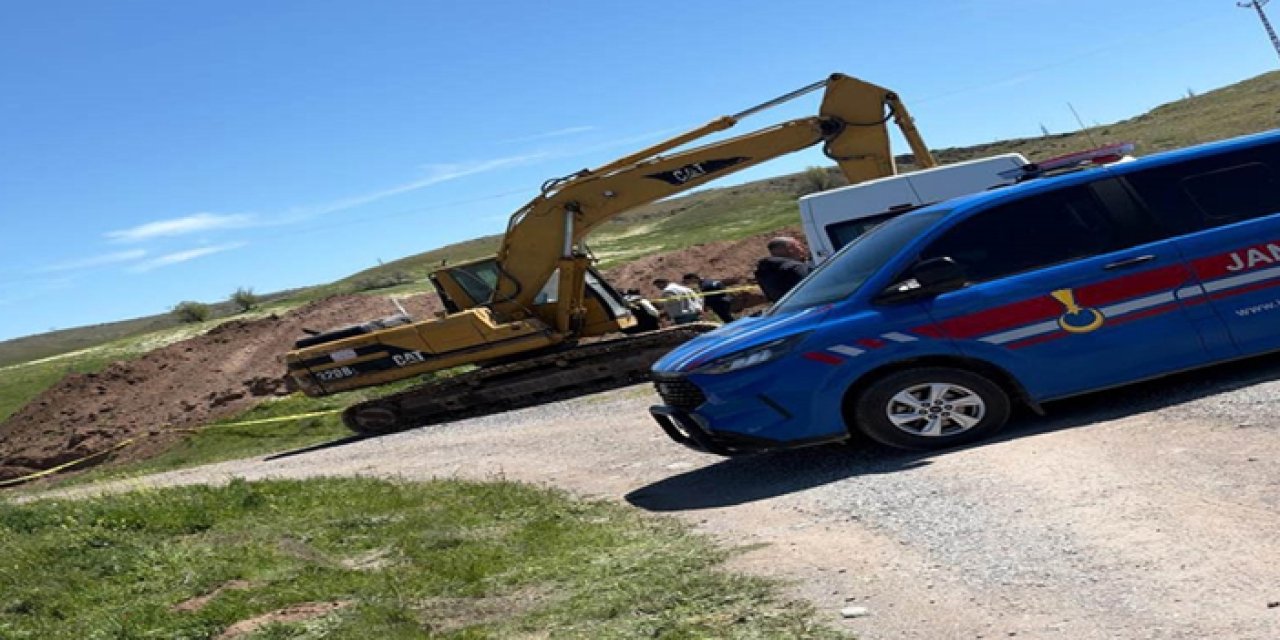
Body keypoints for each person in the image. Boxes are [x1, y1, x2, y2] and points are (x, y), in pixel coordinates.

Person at [754, 236, 811, 302]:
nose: (802, 249)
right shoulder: (796, 268)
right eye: (799, 246)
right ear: (791, 249)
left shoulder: (764, 272)